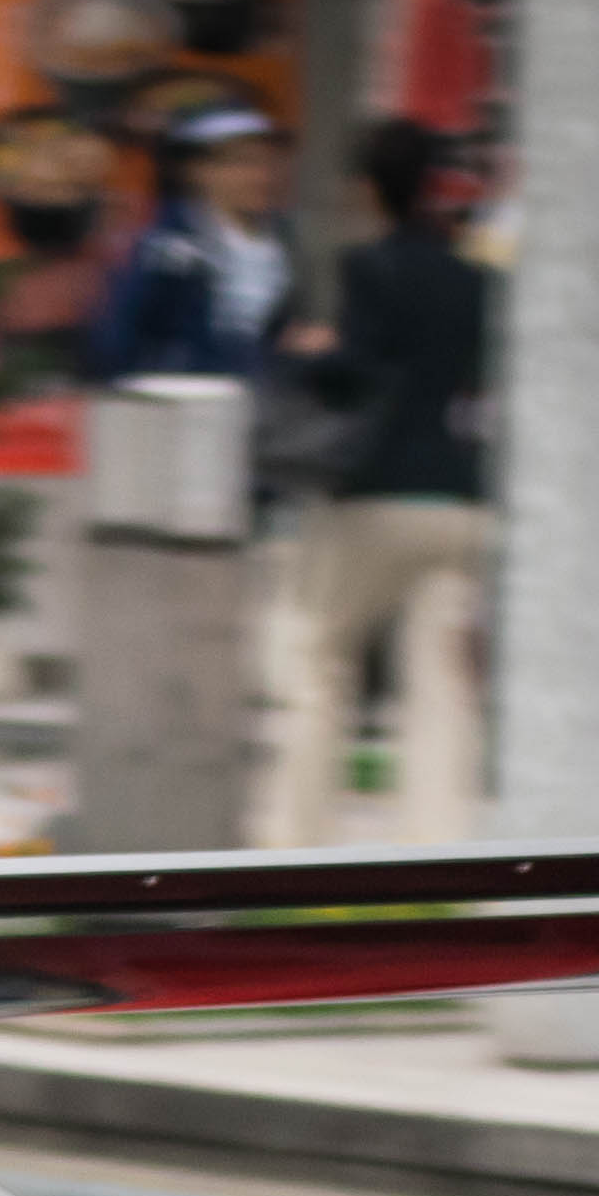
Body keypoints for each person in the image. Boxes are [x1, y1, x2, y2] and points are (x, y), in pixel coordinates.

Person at [260, 119, 492, 845]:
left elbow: (359, 369)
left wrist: (307, 350)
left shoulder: (368, 266)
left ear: (366, 189)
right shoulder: (477, 280)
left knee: (315, 658)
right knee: (440, 682)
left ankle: (293, 841)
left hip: (374, 492)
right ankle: (439, 847)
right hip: (457, 498)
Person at [86, 105, 296, 388]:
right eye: (241, 163)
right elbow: (117, 336)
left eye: (267, 162)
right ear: (197, 170)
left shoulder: (283, 241)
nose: (260, 175)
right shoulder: (165, 245)